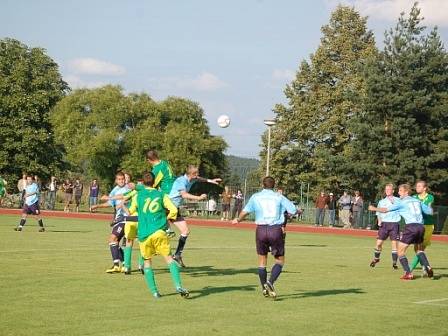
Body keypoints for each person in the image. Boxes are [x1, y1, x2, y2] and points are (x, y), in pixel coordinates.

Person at [232, 176, 296, 299]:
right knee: (280, 261)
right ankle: (270, 282)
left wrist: (238, 219)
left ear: (263, 185)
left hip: (260, 230)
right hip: (275, 230)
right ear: (274, 185)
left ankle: (264, 288)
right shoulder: (279, 196)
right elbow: (292, 209)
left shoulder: (256, 197)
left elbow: (245, 211)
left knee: (262, 262)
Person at [135, 172, 189, 298]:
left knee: (147, 262)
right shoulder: (161, 195)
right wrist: (167, 218)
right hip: (159, 232)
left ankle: (155, 292)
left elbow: (133, 208)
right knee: (169, 259)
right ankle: (178, 286)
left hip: (144, 234)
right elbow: (174, 210)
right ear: (154, 183)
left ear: (142, 183)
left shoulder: (138, 195)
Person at [368, 183, 434, 280]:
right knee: (418, 250)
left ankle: (408, 273)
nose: (399, 193)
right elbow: (430, 211)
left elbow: (385, 210)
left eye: (400, 191)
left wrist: (374, 208)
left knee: (400, 251)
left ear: (406, 192)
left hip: (411, 227)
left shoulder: (401, 202)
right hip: (421, 227)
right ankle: (427, 266)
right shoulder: (417, 201)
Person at [168, 165, 221, 267]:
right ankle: (144, 260)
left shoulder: (191, 179)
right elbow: (184, 195)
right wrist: (199, 198)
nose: (197, 175)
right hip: (168, 208)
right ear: (191, 174)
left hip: (175, 209)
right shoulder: (181, 181)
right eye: (196, 173)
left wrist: (210, 180)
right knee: (159, 234)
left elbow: (200, 179)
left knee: (185, 231)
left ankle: (177, 254)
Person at [91, 172, 131, 273]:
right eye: (119, 179)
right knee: (115, 242)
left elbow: (124, 197)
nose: (122, 181)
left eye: (123, 179)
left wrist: (109, 197)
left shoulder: (128, 188)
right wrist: (97, 206)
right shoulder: (115, 190)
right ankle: (124, 264)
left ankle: (116, 265)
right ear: (116, 180)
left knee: (112, 239)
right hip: (119, 219)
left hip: (126, 218)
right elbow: (110, 203)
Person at [369, 184, 400, 269]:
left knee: (394, 245)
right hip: (384, 224)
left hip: (394, 224)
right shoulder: (381, 202)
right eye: (386, 189)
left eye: (389, 189)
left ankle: (394, 263)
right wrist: (379, 220)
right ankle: (376, 258)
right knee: (378, 244)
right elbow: (378, 213)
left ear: (393, 191)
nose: (387, 191)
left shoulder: (398, 200)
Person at [145, 149, 176, 236]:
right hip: (174, 192)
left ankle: (167, 229)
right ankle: (167, 229)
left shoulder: (157, 169)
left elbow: (151, 185)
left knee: (151, 209)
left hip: (167, 193)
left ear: (149, 160)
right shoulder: (165, 163)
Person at [410, 180, 435, 276]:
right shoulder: (414, 197)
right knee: (417, 249)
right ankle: (425, 267)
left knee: (421, 248)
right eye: (417, 186)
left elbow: (428, 209)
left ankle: (409, 269)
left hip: (427, 225)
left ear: (425, 188)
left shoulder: (430, 197)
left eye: (419, 186)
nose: (417, 187)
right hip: (417, 224)